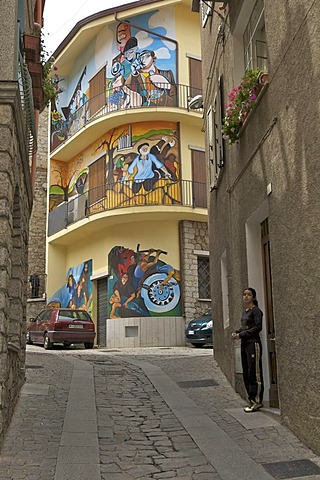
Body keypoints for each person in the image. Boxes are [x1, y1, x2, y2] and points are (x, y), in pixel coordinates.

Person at [232, 287, 264, 413]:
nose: (246, 297)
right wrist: (237, 332)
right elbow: (244, 327)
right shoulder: (245, 312)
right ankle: (250, 400)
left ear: (253, 297)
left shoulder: (256, 311)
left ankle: (257, 401)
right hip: (244, 344)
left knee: (254, 373)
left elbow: (257, 327)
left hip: (253, 344)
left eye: (248, 295)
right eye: (244, 294)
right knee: (246, 372)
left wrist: (242, 334)